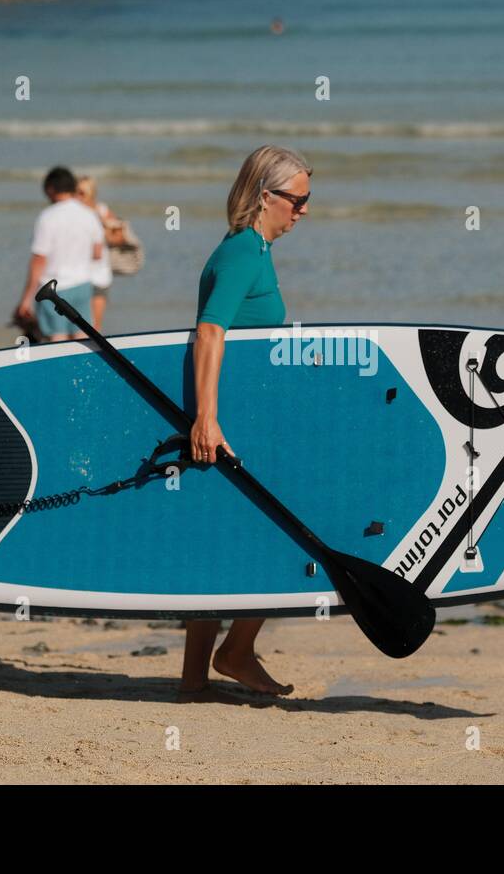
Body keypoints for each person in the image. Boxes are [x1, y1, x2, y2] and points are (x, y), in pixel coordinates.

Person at [180, 144, 312, 701]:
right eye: (298, 200)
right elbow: (209, 331)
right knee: (286, 536)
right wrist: (206, 421)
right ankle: (235, 651)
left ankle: (194, 679)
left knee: (216, 545)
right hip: (228, 423)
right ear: (266, 196)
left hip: (239, 417)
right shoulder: (242, 254)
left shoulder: (251, 249)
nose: (304, 211)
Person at [16, 167, 103, 342]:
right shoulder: (89, 214)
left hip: (54, 289)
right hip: (83, 284)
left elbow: (39, 259)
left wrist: (26, 299)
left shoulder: (48, 217)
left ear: (50, 189)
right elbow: (97, 253)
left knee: (57, 340)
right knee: (83, 337)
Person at [74, 175, 130, 332]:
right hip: (76, 275)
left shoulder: (101, 210)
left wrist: (103, 227)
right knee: (76, 324)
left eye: (82, 192)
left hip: (99, 275)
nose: (78, 196)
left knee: (94, 326)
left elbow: (120, 239)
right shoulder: (72, 213)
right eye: (75, 192)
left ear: (91, 193)